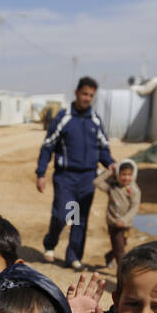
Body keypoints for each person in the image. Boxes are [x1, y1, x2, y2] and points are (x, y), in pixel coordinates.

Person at [35, 77, 115, 270]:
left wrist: (111, 163)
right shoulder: (63, 118)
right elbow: (47, 147)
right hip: (66, 177)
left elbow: (103, 148)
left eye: (91, 96)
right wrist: (41, 173)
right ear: (77, 92)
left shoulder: (95, 120)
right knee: (63, 214)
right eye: (85, 94)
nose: (87, 98)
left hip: (88, 178)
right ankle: (50, 242)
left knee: (79, 219)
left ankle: (73, 257)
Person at [94, 160, 141, 268]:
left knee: (122, 244)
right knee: (120, 250)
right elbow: (96, 182)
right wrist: (109, 172)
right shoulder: (112, 187)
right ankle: (122, 272)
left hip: (126, 224)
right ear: (118, 174)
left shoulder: (134, 190)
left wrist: (124, 220)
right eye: (123, 174)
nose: (126, 178)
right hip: (113, 223)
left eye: (129, 175)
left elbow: (134, 207)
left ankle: (109, 256)